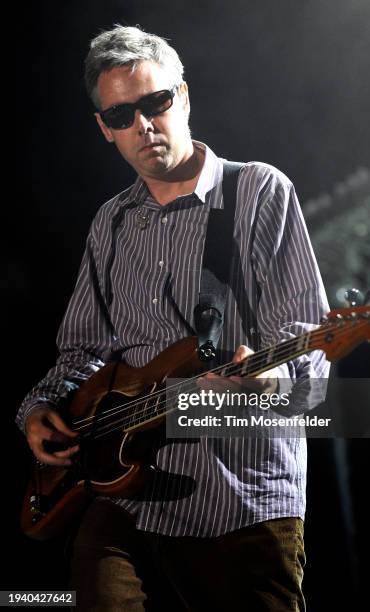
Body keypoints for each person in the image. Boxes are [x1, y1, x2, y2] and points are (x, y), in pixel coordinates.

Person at [16, 25, 329, 611]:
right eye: (121, 115)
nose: (143, 126)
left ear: (182, 97)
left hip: (240, 495)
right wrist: (36, 409)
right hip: (124, 497)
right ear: (104, 129)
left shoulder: (259, 192)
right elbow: (81, 352)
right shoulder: (109, 223)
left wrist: (266, 386)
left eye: (155, 104)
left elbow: (308, 353)